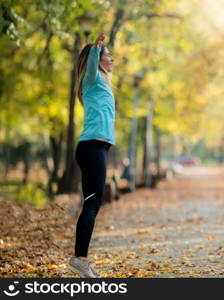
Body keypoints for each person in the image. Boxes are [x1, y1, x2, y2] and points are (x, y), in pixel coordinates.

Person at [68, 33, 115, 278]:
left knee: (91, 202)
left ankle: (80, 258)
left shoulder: (102, 84)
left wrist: (101, 54)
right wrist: (96, 49)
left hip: (96, 148)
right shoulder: (91, 80)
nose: (112, 58)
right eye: (108, 55)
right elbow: (90, 70)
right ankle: (80, 258)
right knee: (93, 203)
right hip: (92, 148)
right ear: (95, 59)